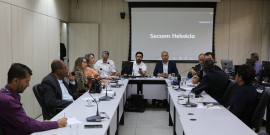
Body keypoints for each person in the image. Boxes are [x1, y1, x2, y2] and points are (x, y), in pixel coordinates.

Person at [0, 63, 67, 135]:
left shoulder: (5, 93)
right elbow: (27, 125)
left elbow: (23, 119)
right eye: (26, 81)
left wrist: (41, 123)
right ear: (15, 81)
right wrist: (56, 124)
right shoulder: (8, 101)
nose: (28, 85)